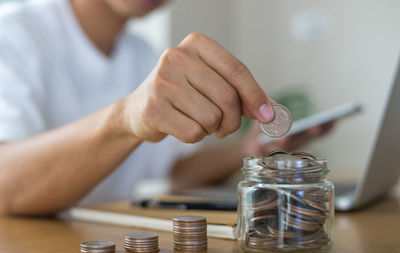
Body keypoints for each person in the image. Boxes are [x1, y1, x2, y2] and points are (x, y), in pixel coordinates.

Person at [0, 0, 331, 216]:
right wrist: (127, 116)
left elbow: (177, 170)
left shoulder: (142, 54)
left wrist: (253, 147)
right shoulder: (13, 35)